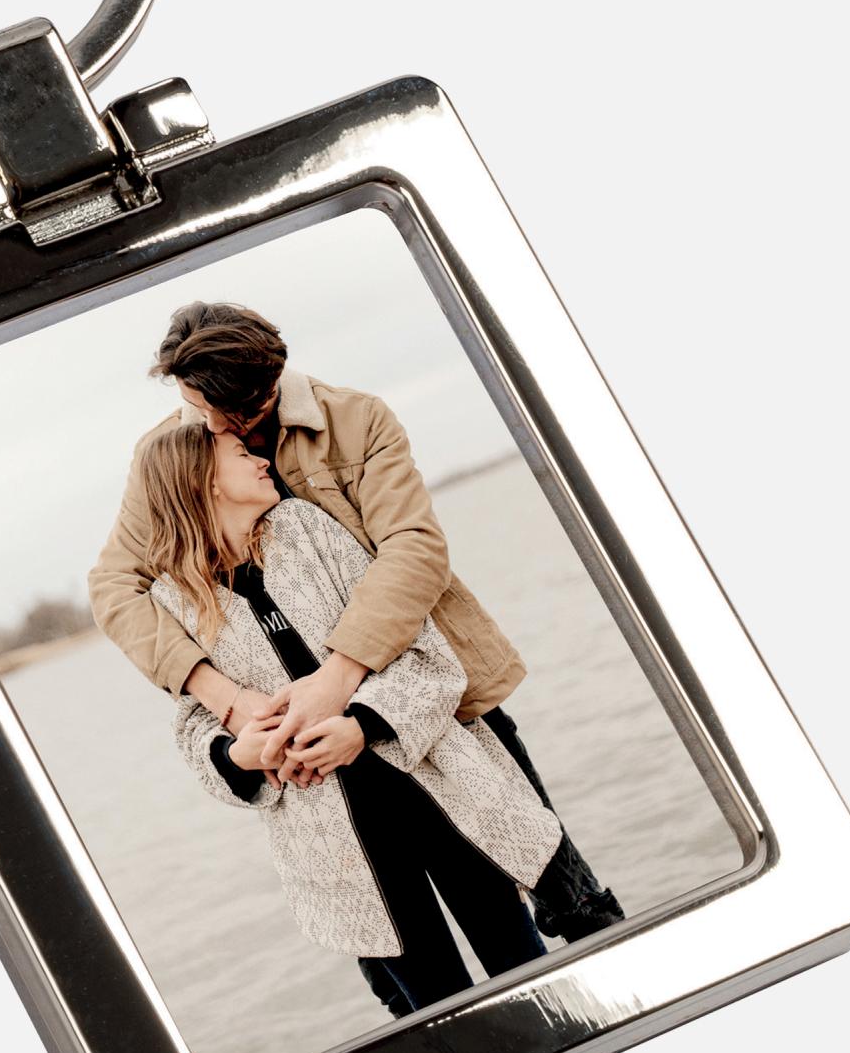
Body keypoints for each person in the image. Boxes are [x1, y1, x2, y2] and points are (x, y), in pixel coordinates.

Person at [87, 301, 624, 1011]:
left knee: (552, 881)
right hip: (319, 783)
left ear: (266, 386)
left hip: (439, 703)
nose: (209, 425)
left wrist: (337, 686)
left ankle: (618, 1012)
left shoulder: (357, 419)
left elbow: (414, 549)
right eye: (195, 406)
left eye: (223, 415)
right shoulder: (173, 452)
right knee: (399, 972)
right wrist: (230, 702)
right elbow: (115, 586)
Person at [141, 418, 567, 1007]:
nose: (263, 462)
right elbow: (192, 724)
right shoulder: (172, 599)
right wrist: (239, 754)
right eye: (243, 454)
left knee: (530, 977)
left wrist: (361, 727)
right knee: (439, 1014)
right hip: (338, 848)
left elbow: (424, 650)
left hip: (440, 792)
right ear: (205, 480)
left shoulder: (309, 529)